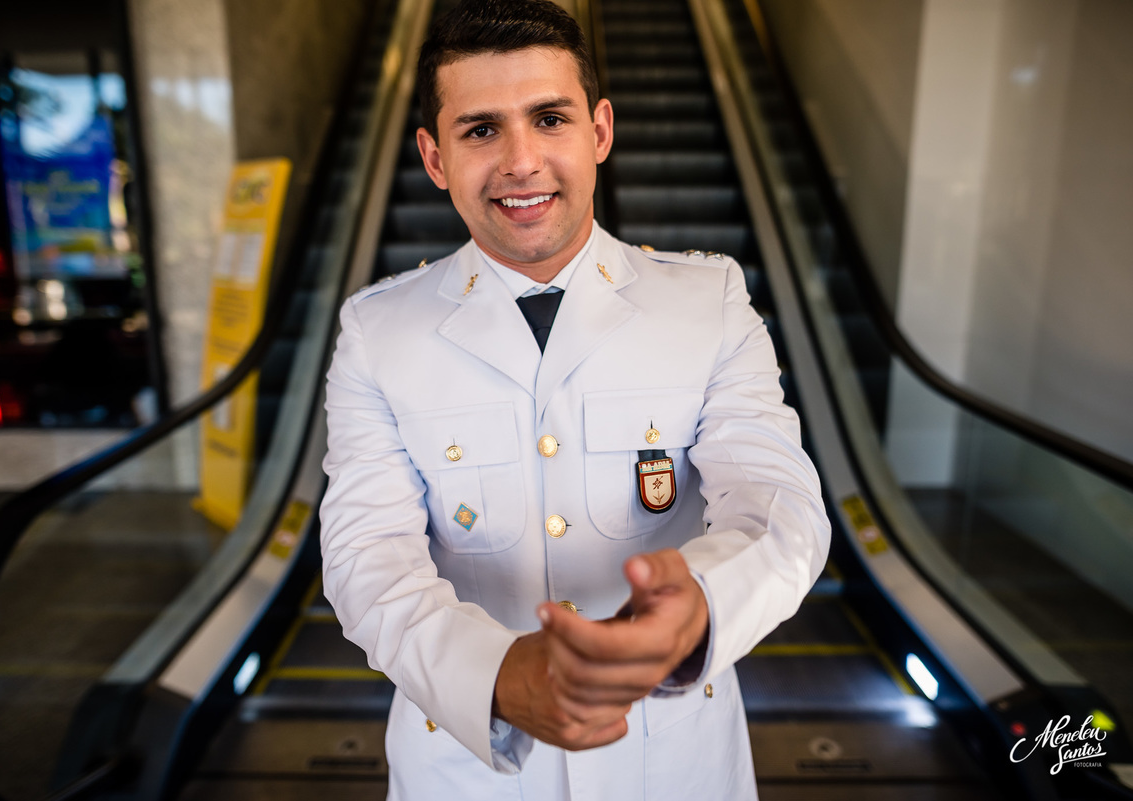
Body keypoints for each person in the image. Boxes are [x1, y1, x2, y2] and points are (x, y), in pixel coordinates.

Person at [318, 0, 831, 797]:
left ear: (598, 132)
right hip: (467, 768)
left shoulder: (709, 301)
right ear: (433, 155)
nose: (521, 161)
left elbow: (778, 507)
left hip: (673, 761)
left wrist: (699, 609)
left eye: (549, 118)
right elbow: (364, 552)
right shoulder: (376, 331)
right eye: (481, 129)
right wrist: (490, 673)